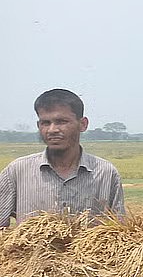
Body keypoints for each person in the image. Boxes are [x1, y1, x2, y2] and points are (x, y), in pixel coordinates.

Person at [0, 89, 126, 227]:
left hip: (87, 249)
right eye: (45, 123)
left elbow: (119, 232)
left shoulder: (105, 173)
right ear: (38, 125)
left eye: (61, 121)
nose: (52, 129)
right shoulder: (17, 171)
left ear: (83, 124)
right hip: (32, 249)